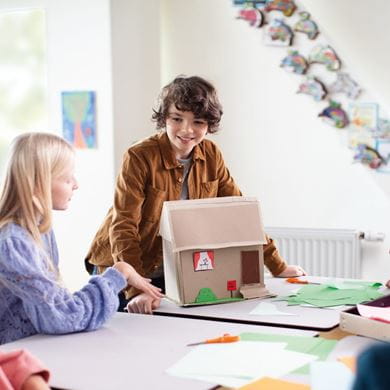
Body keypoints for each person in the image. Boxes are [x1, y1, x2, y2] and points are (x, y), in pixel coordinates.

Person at [85, 75, 306, 314]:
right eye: (177, 119)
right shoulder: (139, 156)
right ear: (164, 118)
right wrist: (137, 288)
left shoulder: (211, 154)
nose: (186, 130)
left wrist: (277, 266)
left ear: (209, 125)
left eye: (198, 122)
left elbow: (240, 214)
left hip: (170, 270)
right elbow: (123, 226)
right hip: (123, 266)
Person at [0, 132, 163, 344]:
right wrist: (117, 275)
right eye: (67, 178)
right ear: (39, 183)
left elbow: (54, 304)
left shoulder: (39, 229)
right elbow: (63, 316)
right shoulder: (14, 243)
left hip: (33, 349)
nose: (75, 184)